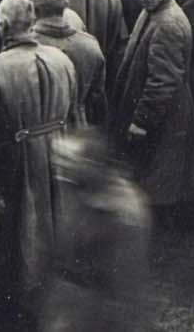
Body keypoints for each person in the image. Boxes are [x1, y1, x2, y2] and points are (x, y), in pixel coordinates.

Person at [0, 0, 79, 327]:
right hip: (58, 151)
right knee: (53, 217)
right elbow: (74, 103)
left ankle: (15, 303)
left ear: (2, 26)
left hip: (15, 160)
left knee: (17, 230)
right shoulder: (62, 58)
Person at [42, 133, 153, 332]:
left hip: (100, 310)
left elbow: (125, 284)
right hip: (73, 304)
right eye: (57, 162)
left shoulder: (121, 211)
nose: (59, 171)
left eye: (67, 162)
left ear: (90, 163)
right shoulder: (77, 190)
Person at [110, 0, 194, 205]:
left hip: (162, 117)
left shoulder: (167, 23)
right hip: (160, 113)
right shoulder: (154, 11)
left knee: (158, 182)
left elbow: (162, 81)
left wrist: (141, 121)